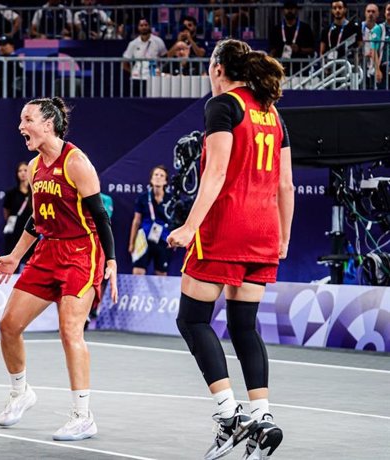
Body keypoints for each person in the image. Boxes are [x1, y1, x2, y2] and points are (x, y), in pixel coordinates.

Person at [166, 39, 294, 460]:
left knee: (193, 319)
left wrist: (189, 225)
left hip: (225, 229)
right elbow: (285, 185)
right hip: (263, 231)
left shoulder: (223, 105)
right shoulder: (273, 114)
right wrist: (284, 236)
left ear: (218, 68)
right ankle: (263, 416)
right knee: (244, 326)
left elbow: (217, 171)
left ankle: (229, 414)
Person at [0, 97, 118, 442]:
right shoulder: (34, 168)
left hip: (81, 250)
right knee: (8, 324)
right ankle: (21, 393)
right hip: (48, 251)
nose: (21, 127)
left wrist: (111, 262)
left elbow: (101, 217)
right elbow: (37, 219)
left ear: (47, 124)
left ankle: (82, 416)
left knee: (69, 330)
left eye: (27, 119)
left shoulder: (77, 163)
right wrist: (16, 257)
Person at [128, 166, 173, 276]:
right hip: (144, 239)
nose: (158, 177)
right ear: (151, 179)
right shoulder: (143, 198)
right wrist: (131, 243)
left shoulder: (171, 199)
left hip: (163, 240)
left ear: (166, 181)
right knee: (138, 271)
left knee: (161, 274)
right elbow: (136, 221)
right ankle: (137, 294)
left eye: (161, 175)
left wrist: (172, 240)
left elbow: (175, 221)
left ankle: (160, 294)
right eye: (156, 175)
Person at [122, 18, 168, 96]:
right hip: (137, 78)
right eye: (141, 25)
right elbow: (125, 63)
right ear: (138, 27)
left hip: (153, 77)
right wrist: (134, 72)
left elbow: (166, 58)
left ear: (149, 26)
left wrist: (159, 70)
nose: (144, 27)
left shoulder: (158, 41)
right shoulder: (133, 43)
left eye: (146, 25)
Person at [267, 1, 315, 75]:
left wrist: (299, 49)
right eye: (287, 8)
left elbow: (312, 49)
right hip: (281, 70)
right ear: (283, 10)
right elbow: (272, 50)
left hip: (301, 70)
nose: (289, 11)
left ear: (296, 10)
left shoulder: (305, 28)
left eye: (292, 8)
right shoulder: (276, 29)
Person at [2, 161, 33, 270]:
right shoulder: (11, 193)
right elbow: (6, 211)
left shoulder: (34, 191)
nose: (23, 173)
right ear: (16, 174)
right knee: (13, 257)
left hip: (31, 229)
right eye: (20, 171)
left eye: (25, 170)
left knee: (32, 260)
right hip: (15, 231)